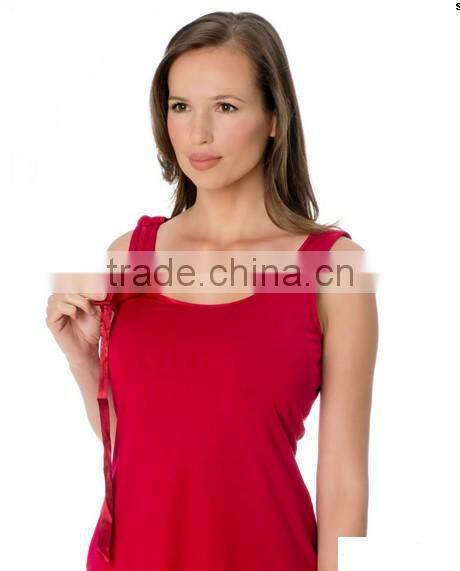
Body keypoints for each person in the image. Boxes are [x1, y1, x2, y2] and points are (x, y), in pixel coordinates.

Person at [46, 11, 378, 571]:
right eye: (181, 106)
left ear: (275, 118)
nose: (197, 133)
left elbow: (345, 483)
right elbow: (141, 449)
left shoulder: (333, 269)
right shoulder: (130, 255)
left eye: (225, 107)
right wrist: (85, 362)